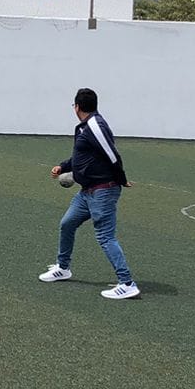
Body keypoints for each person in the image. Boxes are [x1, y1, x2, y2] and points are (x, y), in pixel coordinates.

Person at [40, 88, 140, 300]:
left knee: (105, 237)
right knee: (67, 223)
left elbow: (112, 155)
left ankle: (127, 283)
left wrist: (121, 180)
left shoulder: (95, 125)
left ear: (77, 107)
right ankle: (63, 268)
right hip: (87, 192)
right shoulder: (86, 127)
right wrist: (63, 166)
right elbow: (82, 156)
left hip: (103, 191)